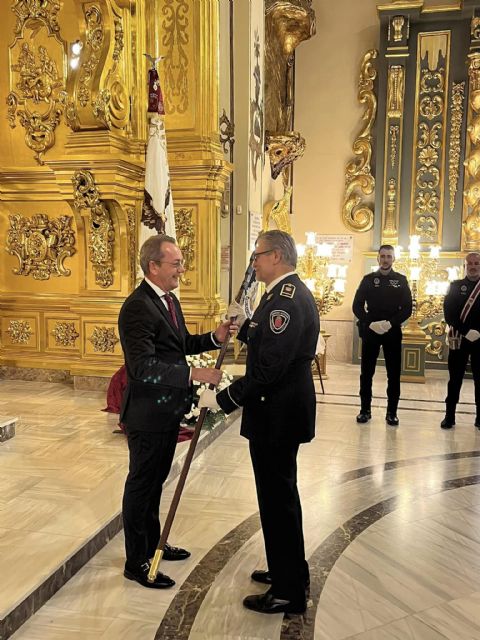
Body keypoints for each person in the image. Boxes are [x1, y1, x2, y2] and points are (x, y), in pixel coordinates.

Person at [199, 230, 320, 615]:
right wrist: (248, 325)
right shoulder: (280, 295)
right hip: (279, 412)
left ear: (277, 256)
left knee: (277, 500)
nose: (254, 263)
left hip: (277, 414)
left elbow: (268, 369)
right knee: (281, 497)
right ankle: (290, 570)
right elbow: (270, 342)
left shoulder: (287, 300)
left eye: (257, 256)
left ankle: (288, 591)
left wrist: (222, 400)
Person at [118, 234, 235, 589]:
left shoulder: (168, 300)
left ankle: (153, 542)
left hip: (167, 410)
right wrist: (193, 375)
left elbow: (179, 344)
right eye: (176, 263)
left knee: (157, 482)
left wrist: (214, 338)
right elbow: (142, 367)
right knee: (142, 484)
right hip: (146, 414)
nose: (182, 269)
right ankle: (136, 561)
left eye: (181, 263)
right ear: (153, 266)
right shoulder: (138, 307)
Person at [352, 244, 412, 426]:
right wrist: (369, 322)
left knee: (393, 374)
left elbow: (407, 308)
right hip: (371, 330)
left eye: (389, 256)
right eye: (383, 256)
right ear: (378, 258)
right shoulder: (368, 280)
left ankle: (392, 412)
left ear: (394, 259)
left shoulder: (401, 280)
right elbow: (357, 306)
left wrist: (390, 323)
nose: (385, 260)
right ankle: (365, 410)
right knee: (366, 373)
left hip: (392, 331)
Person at [441, 252, 480, 429]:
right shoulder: (455, 286)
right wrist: (466, 331)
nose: (473, 266)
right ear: (465, 266)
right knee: (455, 380)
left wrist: (478, 332)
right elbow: (449, 313)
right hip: (459, 339)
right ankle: (449, 416)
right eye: (470, 263)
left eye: (476, 263)